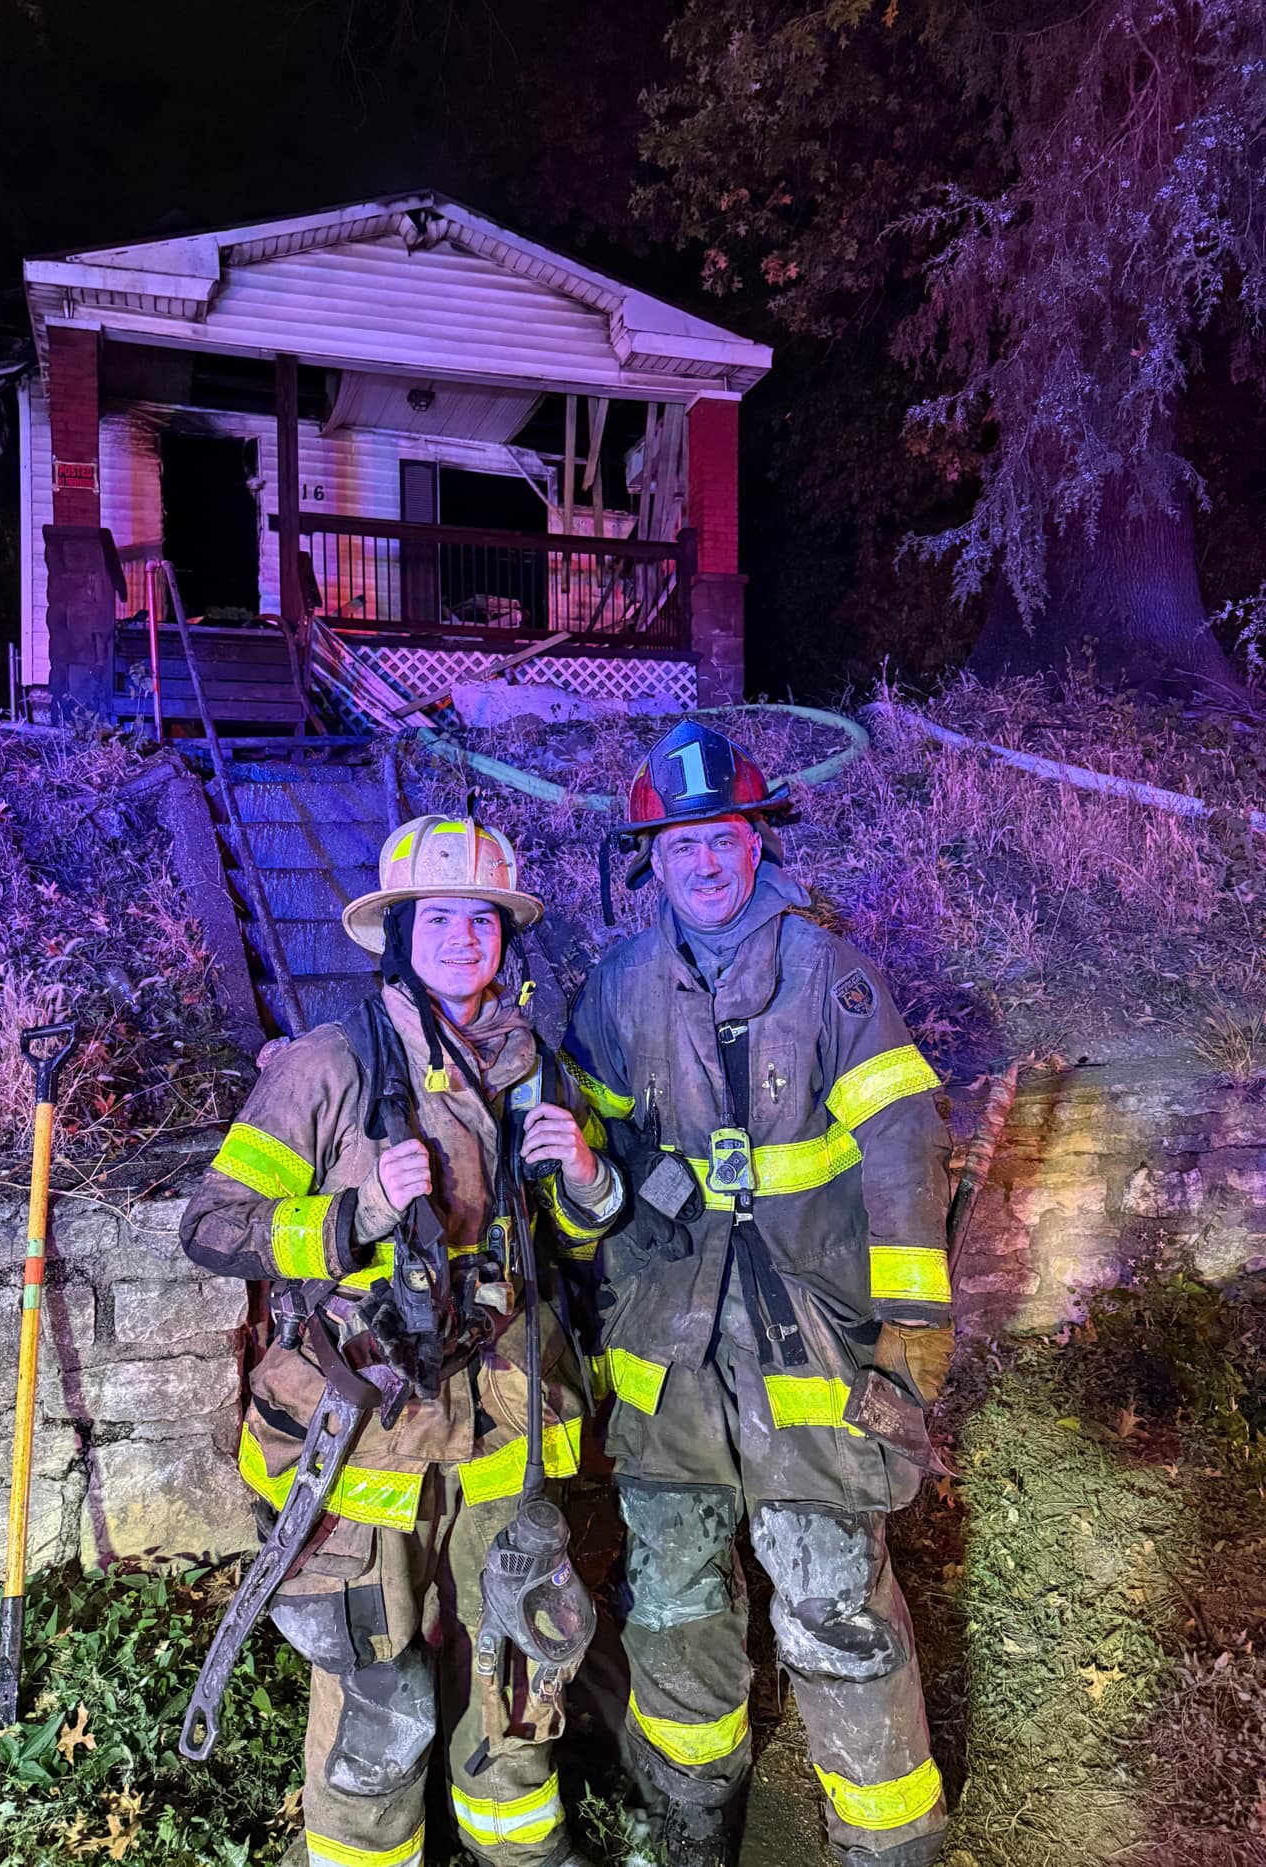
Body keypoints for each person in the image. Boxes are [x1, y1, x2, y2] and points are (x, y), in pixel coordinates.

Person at [181, 814, 621, 1867]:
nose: (463, 936)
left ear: (502, 937)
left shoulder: (532, 1067)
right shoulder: (331, 1065)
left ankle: (514, 1843)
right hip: (368, 1434)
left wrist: (587, 1183)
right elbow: (212, 1225)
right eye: (439, 917)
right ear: (399, 933)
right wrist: (352, 1212)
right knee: (375, 1691)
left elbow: (568, 1245)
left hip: (506, 1427)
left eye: (481, 918)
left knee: (517, 1654)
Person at [564, 722, 954, 1867]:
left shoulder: (828, 975)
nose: (702, 862)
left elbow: (901, 1145)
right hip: (668, 1348)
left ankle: (885, 1839)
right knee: (675, 1589)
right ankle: (689, 1818)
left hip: (809, 1340)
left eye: (720, 838)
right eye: (680, 843)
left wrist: (910, 1333)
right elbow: (583, 1147)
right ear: (654, 858)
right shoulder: (621, 985)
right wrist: (606, 1194)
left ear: (753, 842)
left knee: (830, 1585)